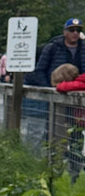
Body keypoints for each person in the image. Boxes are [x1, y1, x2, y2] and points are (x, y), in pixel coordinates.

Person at [23, 19, 85, 153]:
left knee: (77, 132)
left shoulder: (83, 48)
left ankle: (75, 168)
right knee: (53, 131)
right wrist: (51, 89)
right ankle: (53, 161)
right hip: (56, 95)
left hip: (77, 96)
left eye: (78, 30)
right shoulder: (53, 47)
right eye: (72, 30)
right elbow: (39, 70)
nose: (75, 33)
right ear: (65, 32)